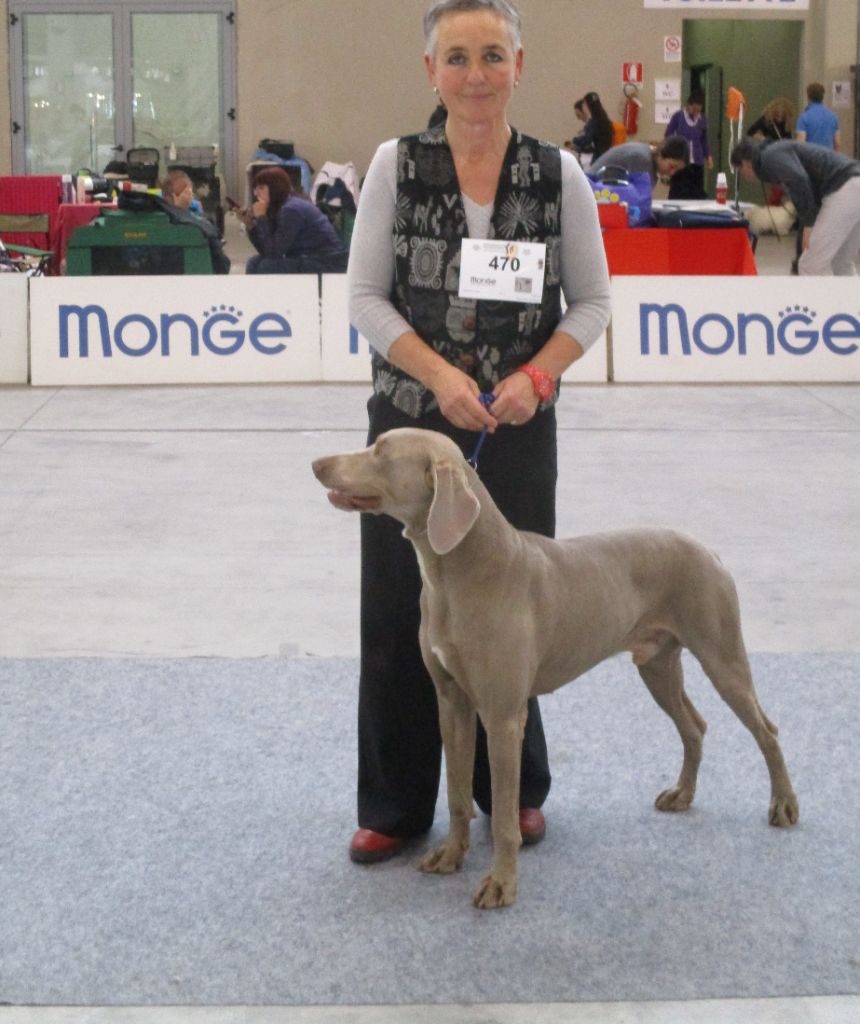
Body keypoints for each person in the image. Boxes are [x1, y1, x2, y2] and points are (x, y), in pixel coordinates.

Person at [337, 0, 611, 865]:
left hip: (515, 432)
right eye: (456, 58)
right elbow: (365, 300)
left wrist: (537, 376)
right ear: (430, 72)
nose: (476, 75)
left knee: (517, 615)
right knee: (398, 617)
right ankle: (395, 801)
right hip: (410, 438)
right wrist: (441, 376)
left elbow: (594, 303)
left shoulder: (557, 174)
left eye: (493, 55)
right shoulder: (395, 164)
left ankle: (515, 793)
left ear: (519, 66)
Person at [731, 136, 860, 275]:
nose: (744, 176)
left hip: (843, 188)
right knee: (840, 262)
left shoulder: (770, 157)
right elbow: (804, 188)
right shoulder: (774, 153)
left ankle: (821, 297)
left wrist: (808, 225)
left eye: (740, 170)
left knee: (811, 264)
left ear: (745, 163)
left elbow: (800, 179)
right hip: (853, 182)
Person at [237, 167, 348, 273]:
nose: (256, 193)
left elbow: (274, 252)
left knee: (266, 266)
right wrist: (250, 225)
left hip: (326, 262)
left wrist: (261, 217)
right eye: (255, 189)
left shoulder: (291, 209)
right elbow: (266, 249)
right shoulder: (281, 206)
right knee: (253, 263)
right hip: (308, 257)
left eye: (261, 188)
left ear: (275, 187)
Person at [159, 170, 231, 274]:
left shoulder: (157, 217)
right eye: (187, 192)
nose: (190, 196)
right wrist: (180, 211)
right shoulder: (201, 223)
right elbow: (222, 265)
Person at [588, 134, 689, 188]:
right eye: (672, 166)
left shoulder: (648, 158)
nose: (672, 173)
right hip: (590, 190)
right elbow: (639, 198)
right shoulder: (642, 160)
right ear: (662, 154)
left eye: (676, 170)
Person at [664, 92, 713, 199]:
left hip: (697, 161)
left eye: (699, 111)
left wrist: (708, 156)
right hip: (680, 160)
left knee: (696, 189)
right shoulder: (678, 117)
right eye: (694, 110)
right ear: (688, 106)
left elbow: (704, 140)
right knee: (678, 189)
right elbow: (668, 134)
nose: (696, 113)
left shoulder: (702, 120)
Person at [569, 91, 614, 163]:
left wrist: (575, 141)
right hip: (606, 157)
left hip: (595, 159)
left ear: (587, 106)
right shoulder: (605, 121)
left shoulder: (593, 123)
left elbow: (587, 141)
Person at [795, 82, 840, 150]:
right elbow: (837, 143)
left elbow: (801, 143)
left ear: (808, 96)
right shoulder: (833, 116)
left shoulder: (804, 117)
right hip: (828, 157)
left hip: (811, 158)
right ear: (822, 96)